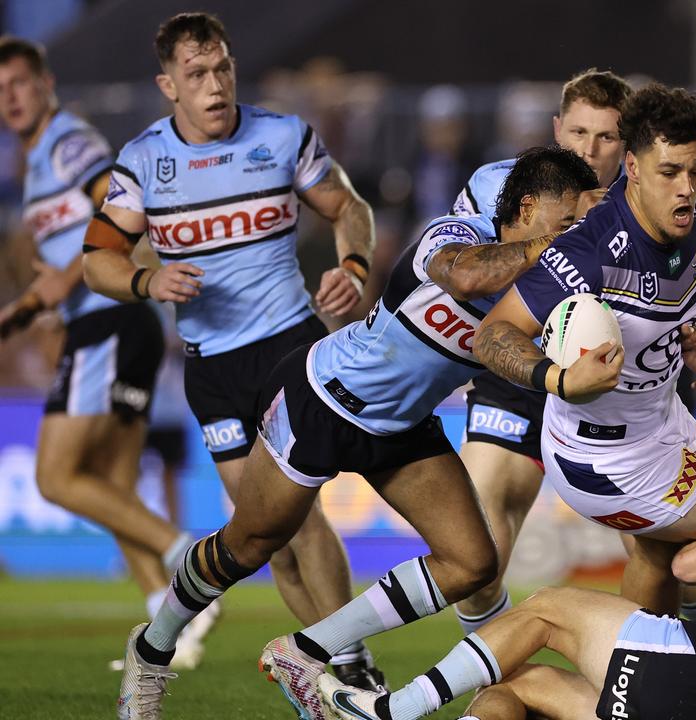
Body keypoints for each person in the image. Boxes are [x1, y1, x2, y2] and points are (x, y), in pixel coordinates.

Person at [112, 146, 618, 720]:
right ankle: (150, 651)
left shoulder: (548, 288)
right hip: (324, 399)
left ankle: (304, 652)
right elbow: (468, 275)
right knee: (250, 544)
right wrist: (548, 247)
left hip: (403, 427)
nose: (574, 235)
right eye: (567, 221)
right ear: (526, 209)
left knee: (472, 562)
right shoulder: (454, 234)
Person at [81, 12, 382, 690]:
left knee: (299, 518)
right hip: (210, 370)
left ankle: (356, 668)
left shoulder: (282, 136)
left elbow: (348, 207)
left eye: (223, 70)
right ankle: (325, 666)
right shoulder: (143, 161)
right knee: (261, 535)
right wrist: (146, 279)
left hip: (287, 349)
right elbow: (95, 260)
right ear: (168, 85)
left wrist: (355, 269)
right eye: (196, 75)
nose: (215, 86)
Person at [452, 70, 696, 634]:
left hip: (656, 421)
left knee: (656, 559)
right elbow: (491, 333)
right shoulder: (583, 246)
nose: (687, 187)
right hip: (607, 454)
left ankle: (645, 671)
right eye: (671, 172)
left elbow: (695, 286)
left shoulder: (683, 216)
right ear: (636, 168)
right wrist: (561, 379)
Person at [316, 434, 696, 720]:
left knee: (545, 610)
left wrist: (680, 518)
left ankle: (392, 711)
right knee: (511, 686)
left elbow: (690, 566)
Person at [0, 35, 209, 662]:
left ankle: (186, 561)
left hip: (109, 319)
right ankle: (171, 627)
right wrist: (44, 294)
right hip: (117, 322)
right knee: (116, 485)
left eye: (18, 84)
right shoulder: (37, 162)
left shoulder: (67, 142)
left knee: (58, 477)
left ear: (46, 83)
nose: (9, 99)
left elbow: (119, 217)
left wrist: (47, 295)